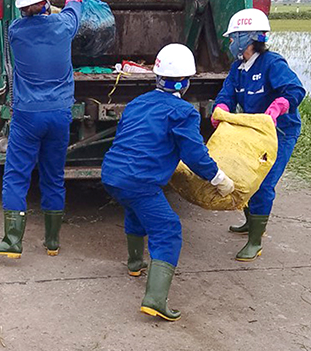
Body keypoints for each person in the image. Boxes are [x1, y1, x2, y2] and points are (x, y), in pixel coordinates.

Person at [101, 43, 235, 321]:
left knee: (135, 210)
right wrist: (219, 179)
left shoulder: (137, 102)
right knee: (168, 229)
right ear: (185, 82)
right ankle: (155, 299)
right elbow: (195, 155)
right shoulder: (183, 112)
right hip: (139, 180)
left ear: (158, 76)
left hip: (112, 174)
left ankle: (135, 263)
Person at [0, 0, 82, 259]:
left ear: (22, 8)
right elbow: (74, 10)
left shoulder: (16, 32)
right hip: (60, 115)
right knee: (53, 176)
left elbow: (32, 17)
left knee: (16, 175)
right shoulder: (64, 27)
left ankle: (13, 241)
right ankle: (52, 242)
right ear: (46, 1)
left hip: (28, 117)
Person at [213, 8, 306, 262]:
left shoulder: (272, 63)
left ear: (247, 38)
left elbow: (296, 90)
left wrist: (279, 107)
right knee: (245, 177)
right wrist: (220, 108)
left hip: (280, 132)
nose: (230, 42)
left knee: (264, 184)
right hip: (253, 131)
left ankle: (255, 241)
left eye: (233, 38)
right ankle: (248, 221)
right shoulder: (238, 68)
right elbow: (227, 93)